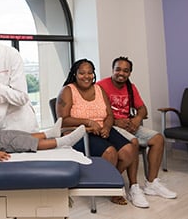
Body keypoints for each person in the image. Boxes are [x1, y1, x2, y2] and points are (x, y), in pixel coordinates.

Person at [97, 56, 177, 208]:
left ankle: (151, 183)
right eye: (118, 69)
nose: (121, 73)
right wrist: (115, 121)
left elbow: (142, 109)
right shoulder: (101, 86)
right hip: (113, 127)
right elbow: (96, 112)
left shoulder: (130, 87)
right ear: (112, 70)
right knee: (132, 143)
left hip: (130, 125)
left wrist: (137, 119)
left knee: (158, 138)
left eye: (125, 71)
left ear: (130, 73)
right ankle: (134, 187)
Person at [56, 58, 136, 205]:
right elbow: (62, 120)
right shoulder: (68, 91)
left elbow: (110, 115)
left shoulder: (99, 89)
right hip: (79, 133)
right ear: (75, 74)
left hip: (101, 129)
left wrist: (106, 127)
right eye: (82, 73)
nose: (86, 76)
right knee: (110, 152)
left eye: (90, 73)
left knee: (129, 150)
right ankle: (113, 190)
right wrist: (87, 122)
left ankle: (109, 181)